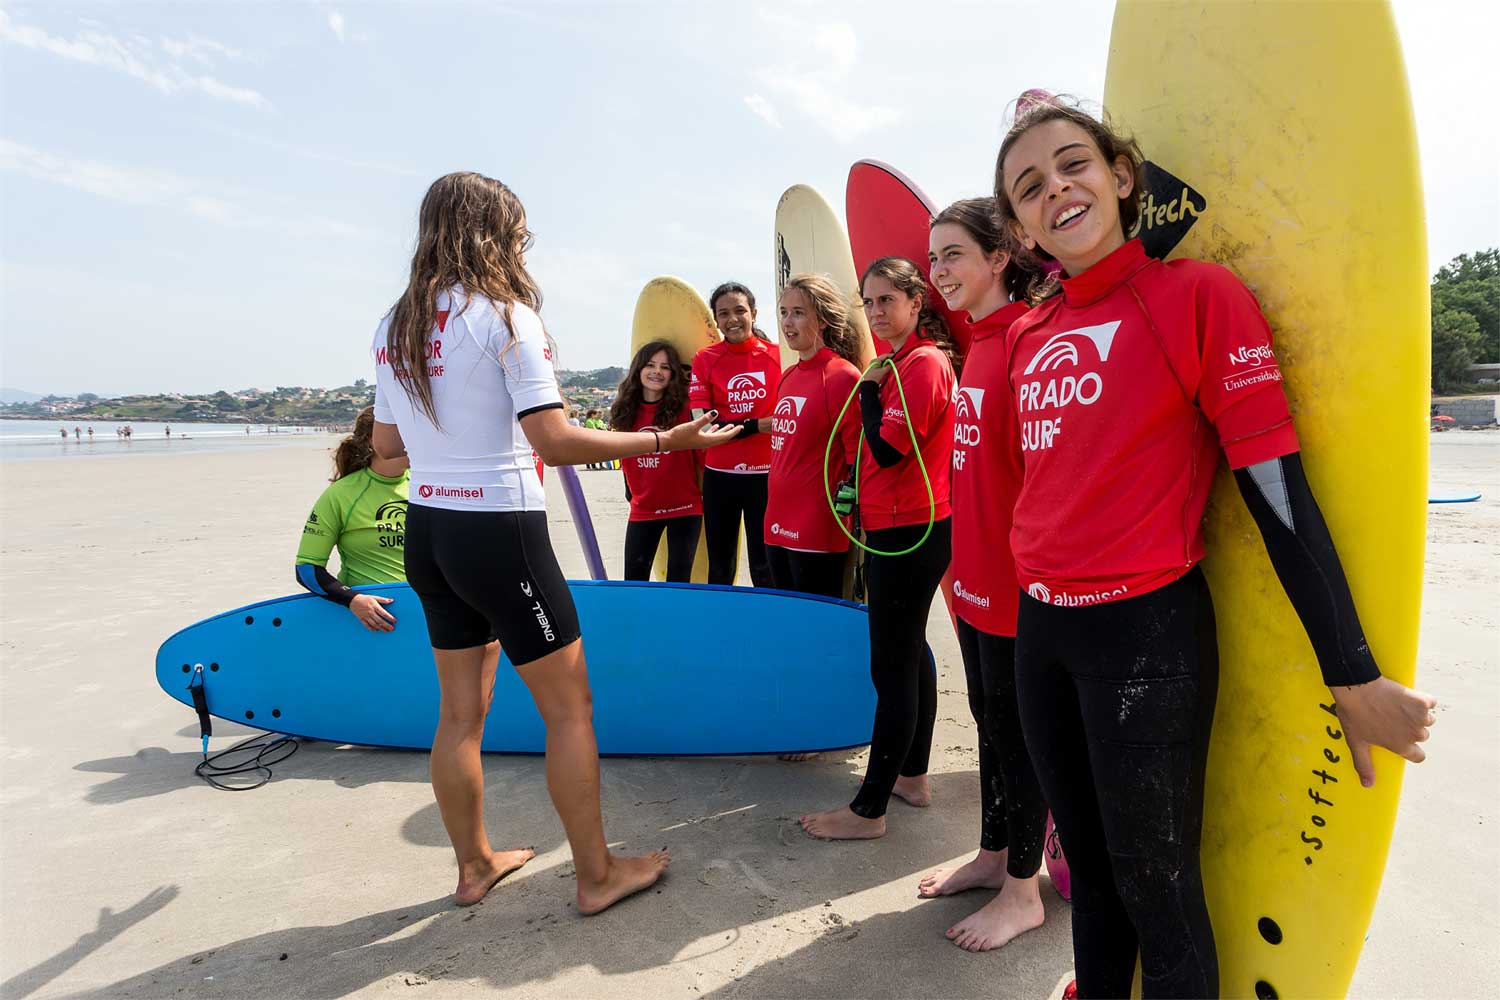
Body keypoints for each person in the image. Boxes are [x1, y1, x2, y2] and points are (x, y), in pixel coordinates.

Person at [992, 93, 1438, 997]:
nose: (1057, 190)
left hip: (1146, 639)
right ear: (1021, 228)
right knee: (1091, 879)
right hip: (1041, 635)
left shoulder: (1196, 297)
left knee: (1158, 892)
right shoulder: (1029, 336)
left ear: (1123, 176)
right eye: (1029, 187)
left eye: (1074, 164)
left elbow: (1275, 491)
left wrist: (1349, 672)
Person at [370, 171, 739, 913]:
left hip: (430, 531)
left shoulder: (394, 327)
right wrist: (668, 438)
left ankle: (474, 866)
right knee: (569, 711)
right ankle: (597, 876)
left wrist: (448, 442)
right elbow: (556, 440)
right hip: (499, 535)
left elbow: (385, 451)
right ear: (497, 235)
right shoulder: (507, 318)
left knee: (459, 716)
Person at [913, 197, 1052, 952]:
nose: (939, 270)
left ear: (1000, 257)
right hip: (970, 579)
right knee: (989, 724)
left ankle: (1023, 892)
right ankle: (994, 855)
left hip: (1015, 585)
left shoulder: (1030, 338)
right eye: (933, 257)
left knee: (1019, 735)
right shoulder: (981, 342)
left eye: (954, 254)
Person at [800, 257, 958, 840]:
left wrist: (867, 389)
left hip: (910, 530)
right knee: (907, 654)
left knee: (890, 665)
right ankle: (911, 777)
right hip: (897, 525)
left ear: (917, 302)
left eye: (887, 300)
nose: (875, 312)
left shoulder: (921, 364)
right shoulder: (898, 363)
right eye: (868, 302)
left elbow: (890, 451)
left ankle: (869, 811)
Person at [760, 274, 863, 599]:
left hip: (817, 525)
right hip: (776, 518)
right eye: (783, 313)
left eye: (798, 313)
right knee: (784, 618)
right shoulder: (788, 376)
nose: (787, 323)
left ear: (823, 318)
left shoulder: (842, 376)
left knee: (816, 620)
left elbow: (857, 460)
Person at [689, 282, 782, 587]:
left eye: (739, 310)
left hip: (767, 476)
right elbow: (704, 426)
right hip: (721, 477)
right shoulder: (705, 359)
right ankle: (722, 617)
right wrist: (757, 425)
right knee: (720, 567)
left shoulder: (779, 356)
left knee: (765, 567)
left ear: (754, 313)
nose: (732, 319)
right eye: (723, 313)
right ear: (716, 320)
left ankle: (766, 616)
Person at [294, 406, 413, 633]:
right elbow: (307, 569)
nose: (415, 440)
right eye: (404, 432)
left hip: (426, 613)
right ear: (373, 440)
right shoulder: (341, 495)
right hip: (368, 621)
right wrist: (353, 599)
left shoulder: (427, 488)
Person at [610, 341, 703, 582]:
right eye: (650, 365)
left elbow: (702, 455)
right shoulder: (624, 411)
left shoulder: (685, 409)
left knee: (678, 584)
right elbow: (623, 456)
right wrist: (629, 489)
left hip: (685, 508)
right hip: (643, 508)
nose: (657, 372)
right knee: (634, 581)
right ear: (638, 369)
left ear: (673, 374)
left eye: (665, 367)